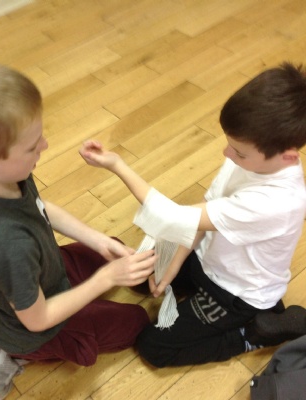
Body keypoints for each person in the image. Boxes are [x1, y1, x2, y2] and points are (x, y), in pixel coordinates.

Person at [0, 56, 157, 399]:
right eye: (32, 145)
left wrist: (97, 240)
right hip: (34, 327)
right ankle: (10, 352)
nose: (45, 145)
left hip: (39, 273)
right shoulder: (6, 246)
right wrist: (105, 280)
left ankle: (17, 318)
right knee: (137, 322)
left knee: (110, 247)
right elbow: (38, 320)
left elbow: (40, 208)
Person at [79, 61, 306, 368]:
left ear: (288, 157)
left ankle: (255, 332)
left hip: (236, 293)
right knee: (142, 278)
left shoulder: (275, 202)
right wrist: (172, 265)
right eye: (230, 145)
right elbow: (202, 215)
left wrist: (117, 165)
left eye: (238, 152)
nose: (227, 155)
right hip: (207, 257)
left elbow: (173, 217)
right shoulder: (248, 158)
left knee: (154, 347)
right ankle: (193, 284)